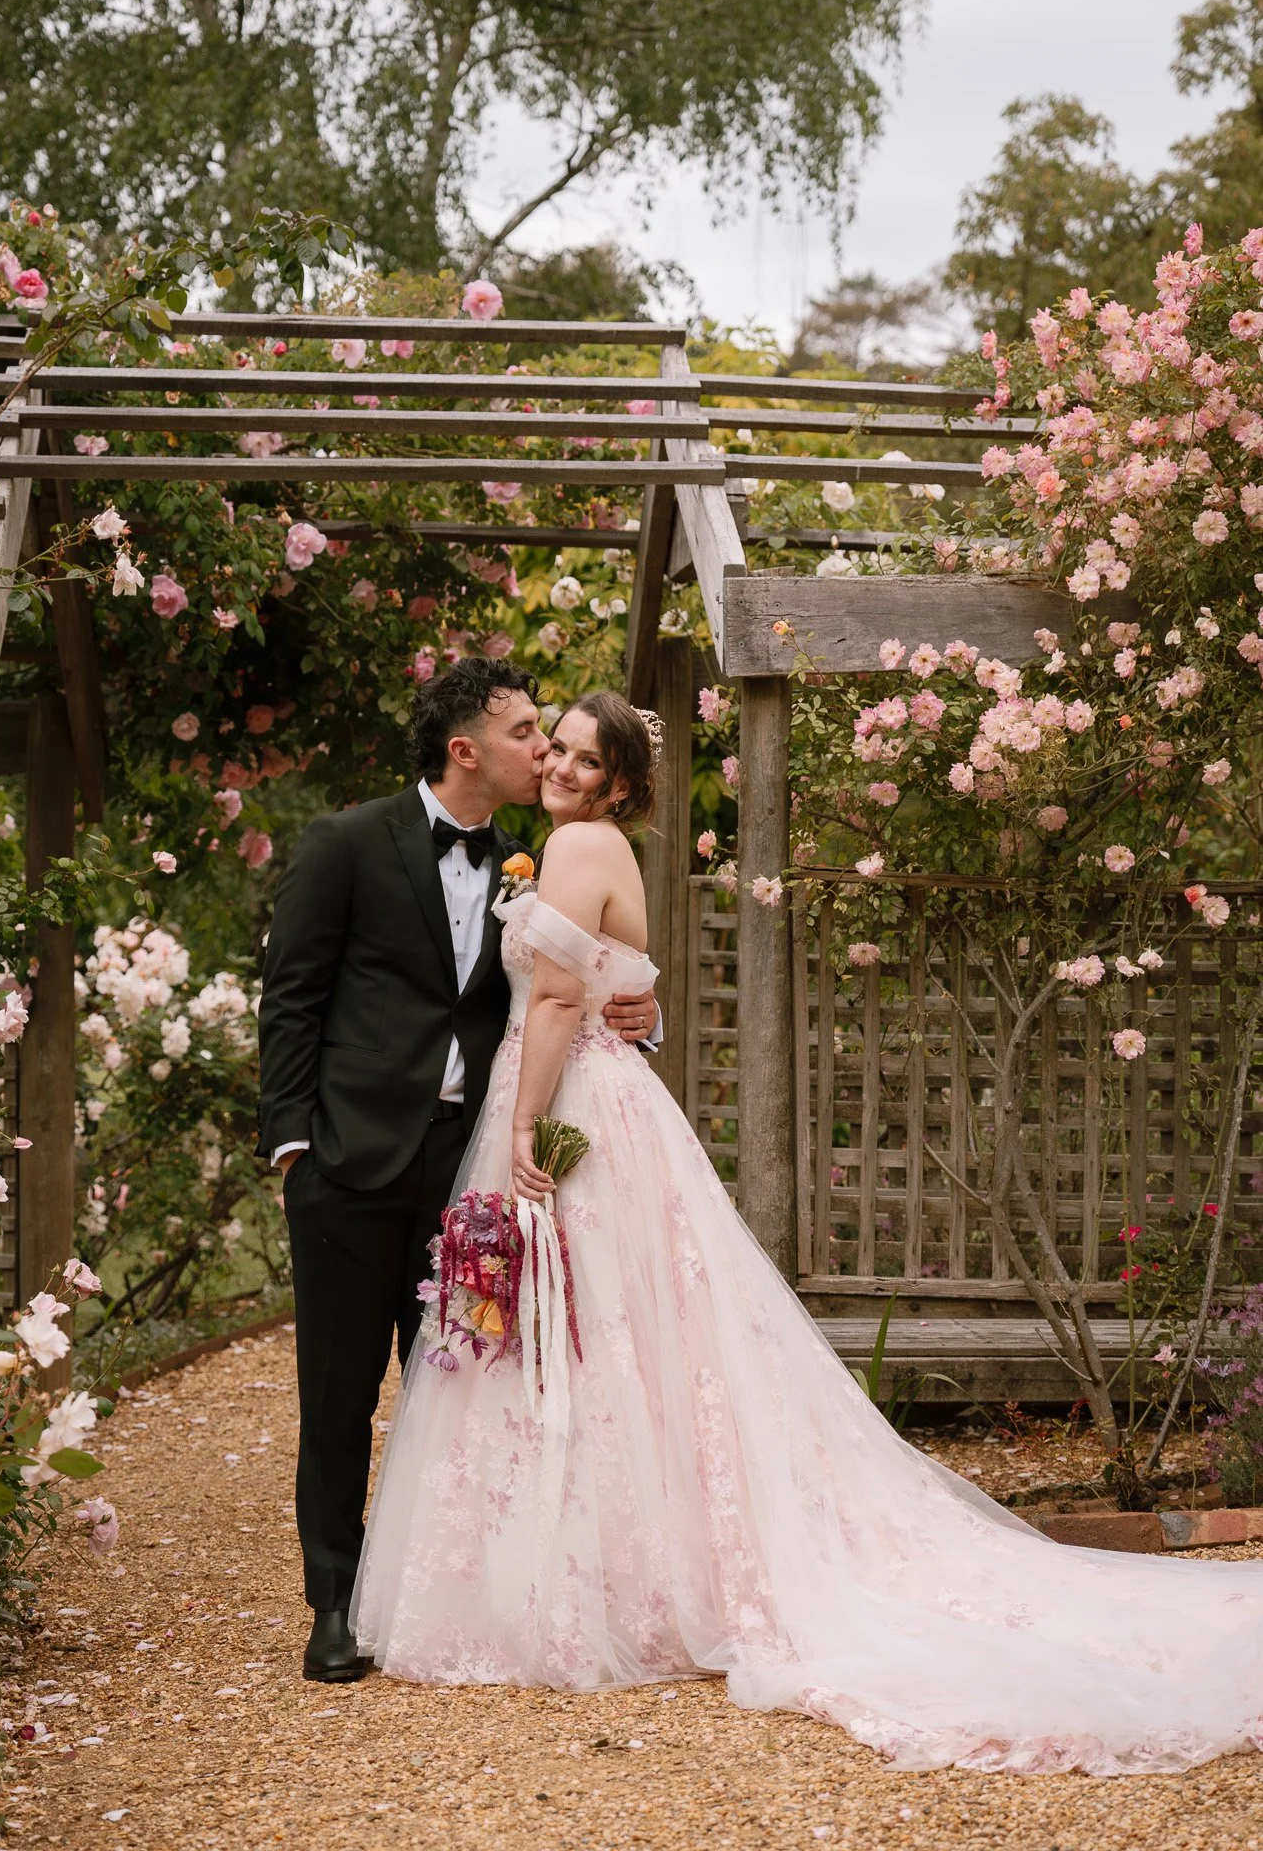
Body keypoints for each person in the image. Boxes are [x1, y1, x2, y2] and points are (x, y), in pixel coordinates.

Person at [355, 690, 1263, 1774]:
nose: (559, 765)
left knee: (585, 1333)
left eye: (585, 759)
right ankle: (618, 1564)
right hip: (605, 1097)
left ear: (618, 783)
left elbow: (554, 1003)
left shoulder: (577, 846)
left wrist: (520, 1137)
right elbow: (619, 978)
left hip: (564, 1105)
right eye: (556, 748)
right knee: (627, 1337)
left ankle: (587, 1584)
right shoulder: (572, 845)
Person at [257, 660, 659, 1683]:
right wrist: (292, 1143)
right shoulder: (346, 843)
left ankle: (458, 1595)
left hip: (469, 1168)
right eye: (530, 730)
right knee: (339, 1393)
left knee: (471, 1391)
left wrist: (639, 1013)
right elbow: (293, 996)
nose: (546, 749)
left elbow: (565, 992)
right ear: (465, 746)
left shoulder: (539, 859)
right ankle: (336, 1607)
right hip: (347, 1164)